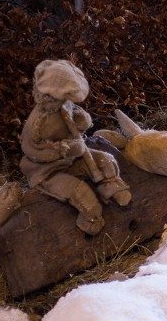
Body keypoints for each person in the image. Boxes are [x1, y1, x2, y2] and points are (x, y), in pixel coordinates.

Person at [19, 59, 130, 235]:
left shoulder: (65, 104)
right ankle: (90, 222)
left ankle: (109, 187)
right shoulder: (38, 123)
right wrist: (65, 148)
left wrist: (82, 119)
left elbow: (75, 115)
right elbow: (33, 151)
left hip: (74, 159)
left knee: (105, 160)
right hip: (47, 171)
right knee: (83, 195)